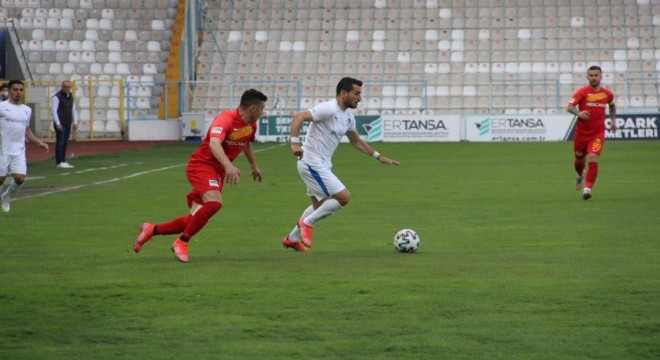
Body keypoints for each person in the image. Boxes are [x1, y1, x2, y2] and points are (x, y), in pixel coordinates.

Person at [133, 89, 268, 263]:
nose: (263, 112)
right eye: (262, 108)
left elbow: (247, 143)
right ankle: (182, 242)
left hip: (217, 171)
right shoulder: (226, 119)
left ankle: (151, 229)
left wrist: (253, 166)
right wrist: (228, 165)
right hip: (202, 165)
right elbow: (214, 142)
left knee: (194, 219)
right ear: (253, 108)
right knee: (214, 203)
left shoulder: (251, 125)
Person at [281, 77, 400, 252]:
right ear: (343, 93)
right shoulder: (328, 109)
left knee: (319, 206)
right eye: (356, 93)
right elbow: (299, 116)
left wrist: (378, 156)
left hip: (322, 164)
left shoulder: (348, 117)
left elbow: (356, 141)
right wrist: (294, 143)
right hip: (311, 162)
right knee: (343, 197)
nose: (359, 98)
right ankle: (307, 223)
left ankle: (292, 238)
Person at [566, 65, 617, 200]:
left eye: (596, 75)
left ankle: (587, 189)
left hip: (597, 133)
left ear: (601, 76)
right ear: (587, 77)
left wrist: (612, 120)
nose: (594, 78)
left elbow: (612, 105)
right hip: (582, 134)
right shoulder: (582, 92)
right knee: (579, 160)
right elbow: (569, 107)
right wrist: (579, 112)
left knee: (593, 157)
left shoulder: (607, 94)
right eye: (591, 75)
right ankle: (580, 175)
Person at [0, 80, 49, 213]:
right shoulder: (1, 106)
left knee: (20, 178)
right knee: (1, 179)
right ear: (9, 90)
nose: (18, 92)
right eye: (15, 90)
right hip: (2, 149)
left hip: (19, 149)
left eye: (21, 90)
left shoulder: (26, 110)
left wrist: (39, 142)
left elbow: (26, 130)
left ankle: (6, 195)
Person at [51, 80, 78, 169]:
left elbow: (73, 109)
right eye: (65, 87)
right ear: (62, 87)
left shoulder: (70, 97)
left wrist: (75, 121)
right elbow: (54, 111)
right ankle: (59, 161)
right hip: (61, 123)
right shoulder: (57, 97)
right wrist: (57, 123)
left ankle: (63, 160)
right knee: (60, 142)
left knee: (65, 142)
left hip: (67, 122)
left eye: (69, 87)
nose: (67, 89)